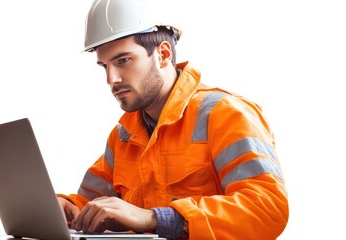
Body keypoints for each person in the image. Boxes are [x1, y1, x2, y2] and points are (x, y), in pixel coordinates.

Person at [57, 0, 289, 239]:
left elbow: (266, 209)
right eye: (104, 66)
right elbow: (92, 204)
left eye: (122, 61)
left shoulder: (225, 114)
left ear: (163, 54)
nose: (111, 79)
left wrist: (153, 218)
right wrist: (64, 206)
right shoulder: (125, 135)